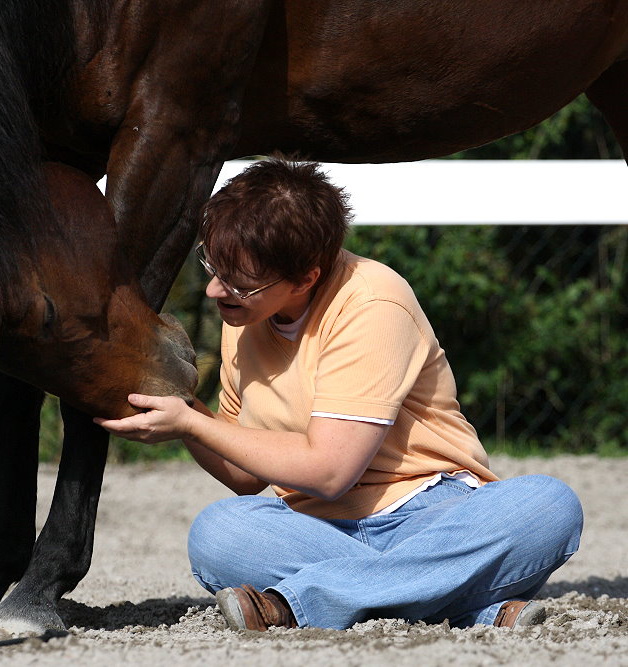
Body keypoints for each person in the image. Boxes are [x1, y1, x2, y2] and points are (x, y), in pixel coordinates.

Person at [95, 158, 583, 631]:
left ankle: (298, 603)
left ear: (306, 277)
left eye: (239, 283)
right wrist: (182, 411)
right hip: (314, 529)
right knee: (218, 532)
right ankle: (460, 607)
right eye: (213, 268)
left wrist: (192, 425)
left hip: (434, 512)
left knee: (546, 505)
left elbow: (329, 471)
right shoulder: (243, 316)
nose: (215, 292)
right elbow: (244, 477)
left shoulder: (372, 301)